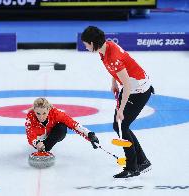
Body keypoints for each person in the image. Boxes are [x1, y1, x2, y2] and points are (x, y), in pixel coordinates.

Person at [81, 26, 154, 178]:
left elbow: (127, 86)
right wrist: (114, 81)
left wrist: (121, 110)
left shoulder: (112, 56)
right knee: (120, 126)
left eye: (86, 44)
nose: (85, 46)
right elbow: (118, 68)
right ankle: (142, 161)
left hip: (138, 91)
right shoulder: (106, 48)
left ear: (94, 43)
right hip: (130, 87)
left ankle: (132, 168)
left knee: (122, 126)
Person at [25, 98, 99, 153]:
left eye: (44, 113)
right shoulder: (30, 117)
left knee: (62, 127)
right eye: (38, 113)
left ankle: (46, 148)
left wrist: (90, 135)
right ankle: (42, 147)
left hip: (51, 136)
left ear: (48, 109)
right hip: (38, 138)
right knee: (37, 141)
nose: (41, 117)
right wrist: (36, 143)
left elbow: (74, 125)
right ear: (34, 110)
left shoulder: (56, 114)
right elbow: (30, 134)